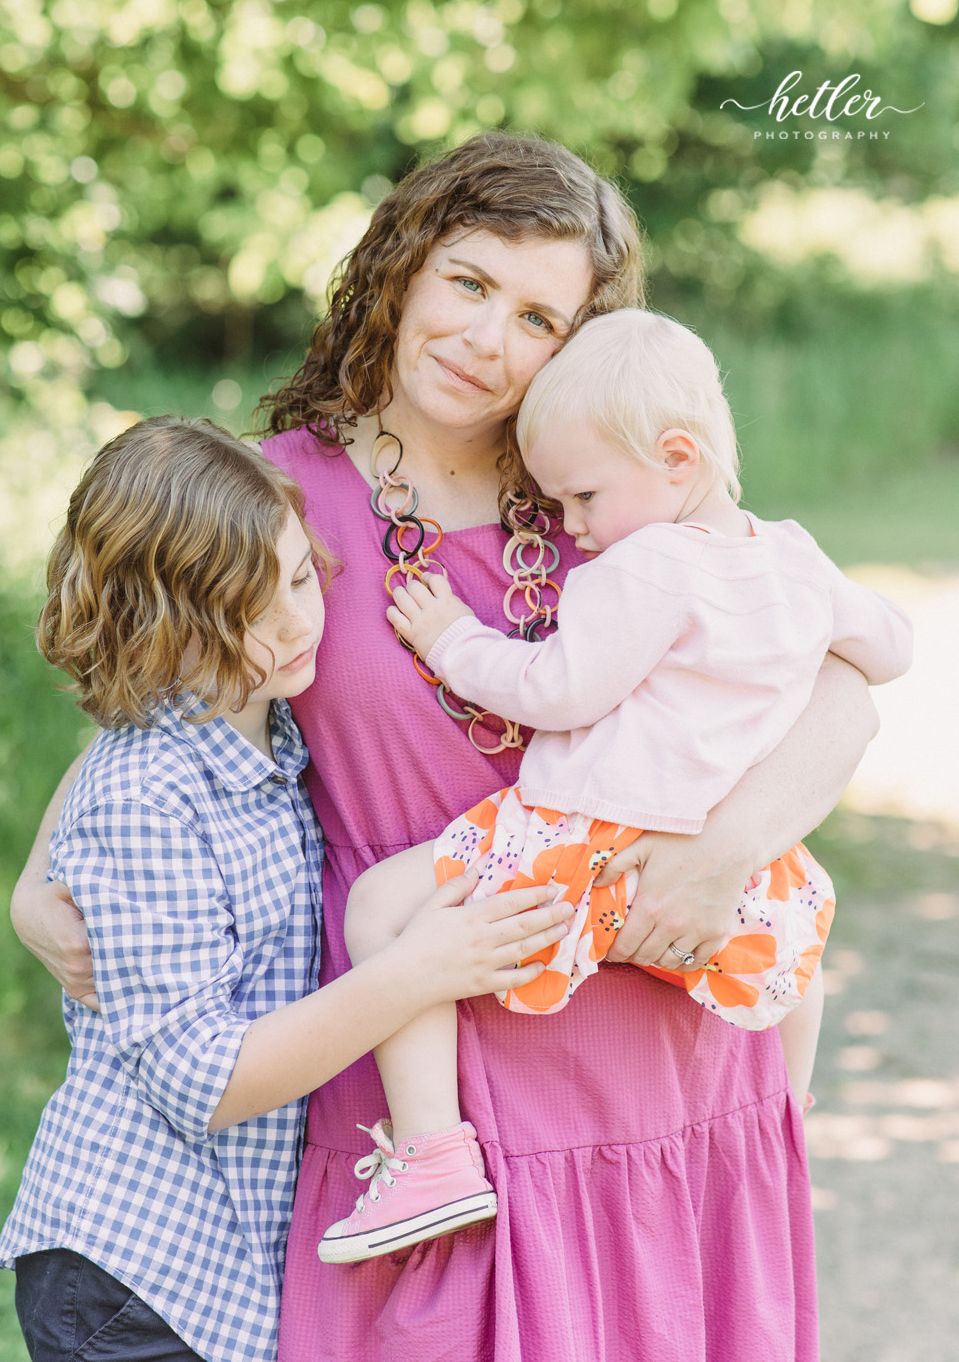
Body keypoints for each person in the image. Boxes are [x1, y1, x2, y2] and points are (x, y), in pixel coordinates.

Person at [11, 132, 884, 1362]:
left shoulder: (610, 483)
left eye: (539, 316)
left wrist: (725, 849)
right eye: (468, 283)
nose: (488, 339)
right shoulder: (272, 498)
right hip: (425, 1079)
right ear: (402, 267)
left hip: (662, 1048)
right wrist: (28, 882)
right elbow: (148, 702)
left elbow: (839, 684)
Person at [317, 309, 912, 1263]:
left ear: (678, 459)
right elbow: (890, 647)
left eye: (585, 497)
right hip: (736, 858)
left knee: (387, 908)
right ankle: (790, 1109)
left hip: (583, 835)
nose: (575, 528)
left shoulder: (643, 568)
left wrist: (450, 640)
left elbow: (560, 690)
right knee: (803, 958)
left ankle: (431, 1154)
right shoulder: (795, 557)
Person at [0, 415, 574, 1362]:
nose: (297, 622)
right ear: (160, 629)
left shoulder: (269, 725)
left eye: (300, 577)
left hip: (217, 1264)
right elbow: (201, 1081)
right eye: (248, 611)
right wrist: (419, 971)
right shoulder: (146, 795)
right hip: (134, 1276)